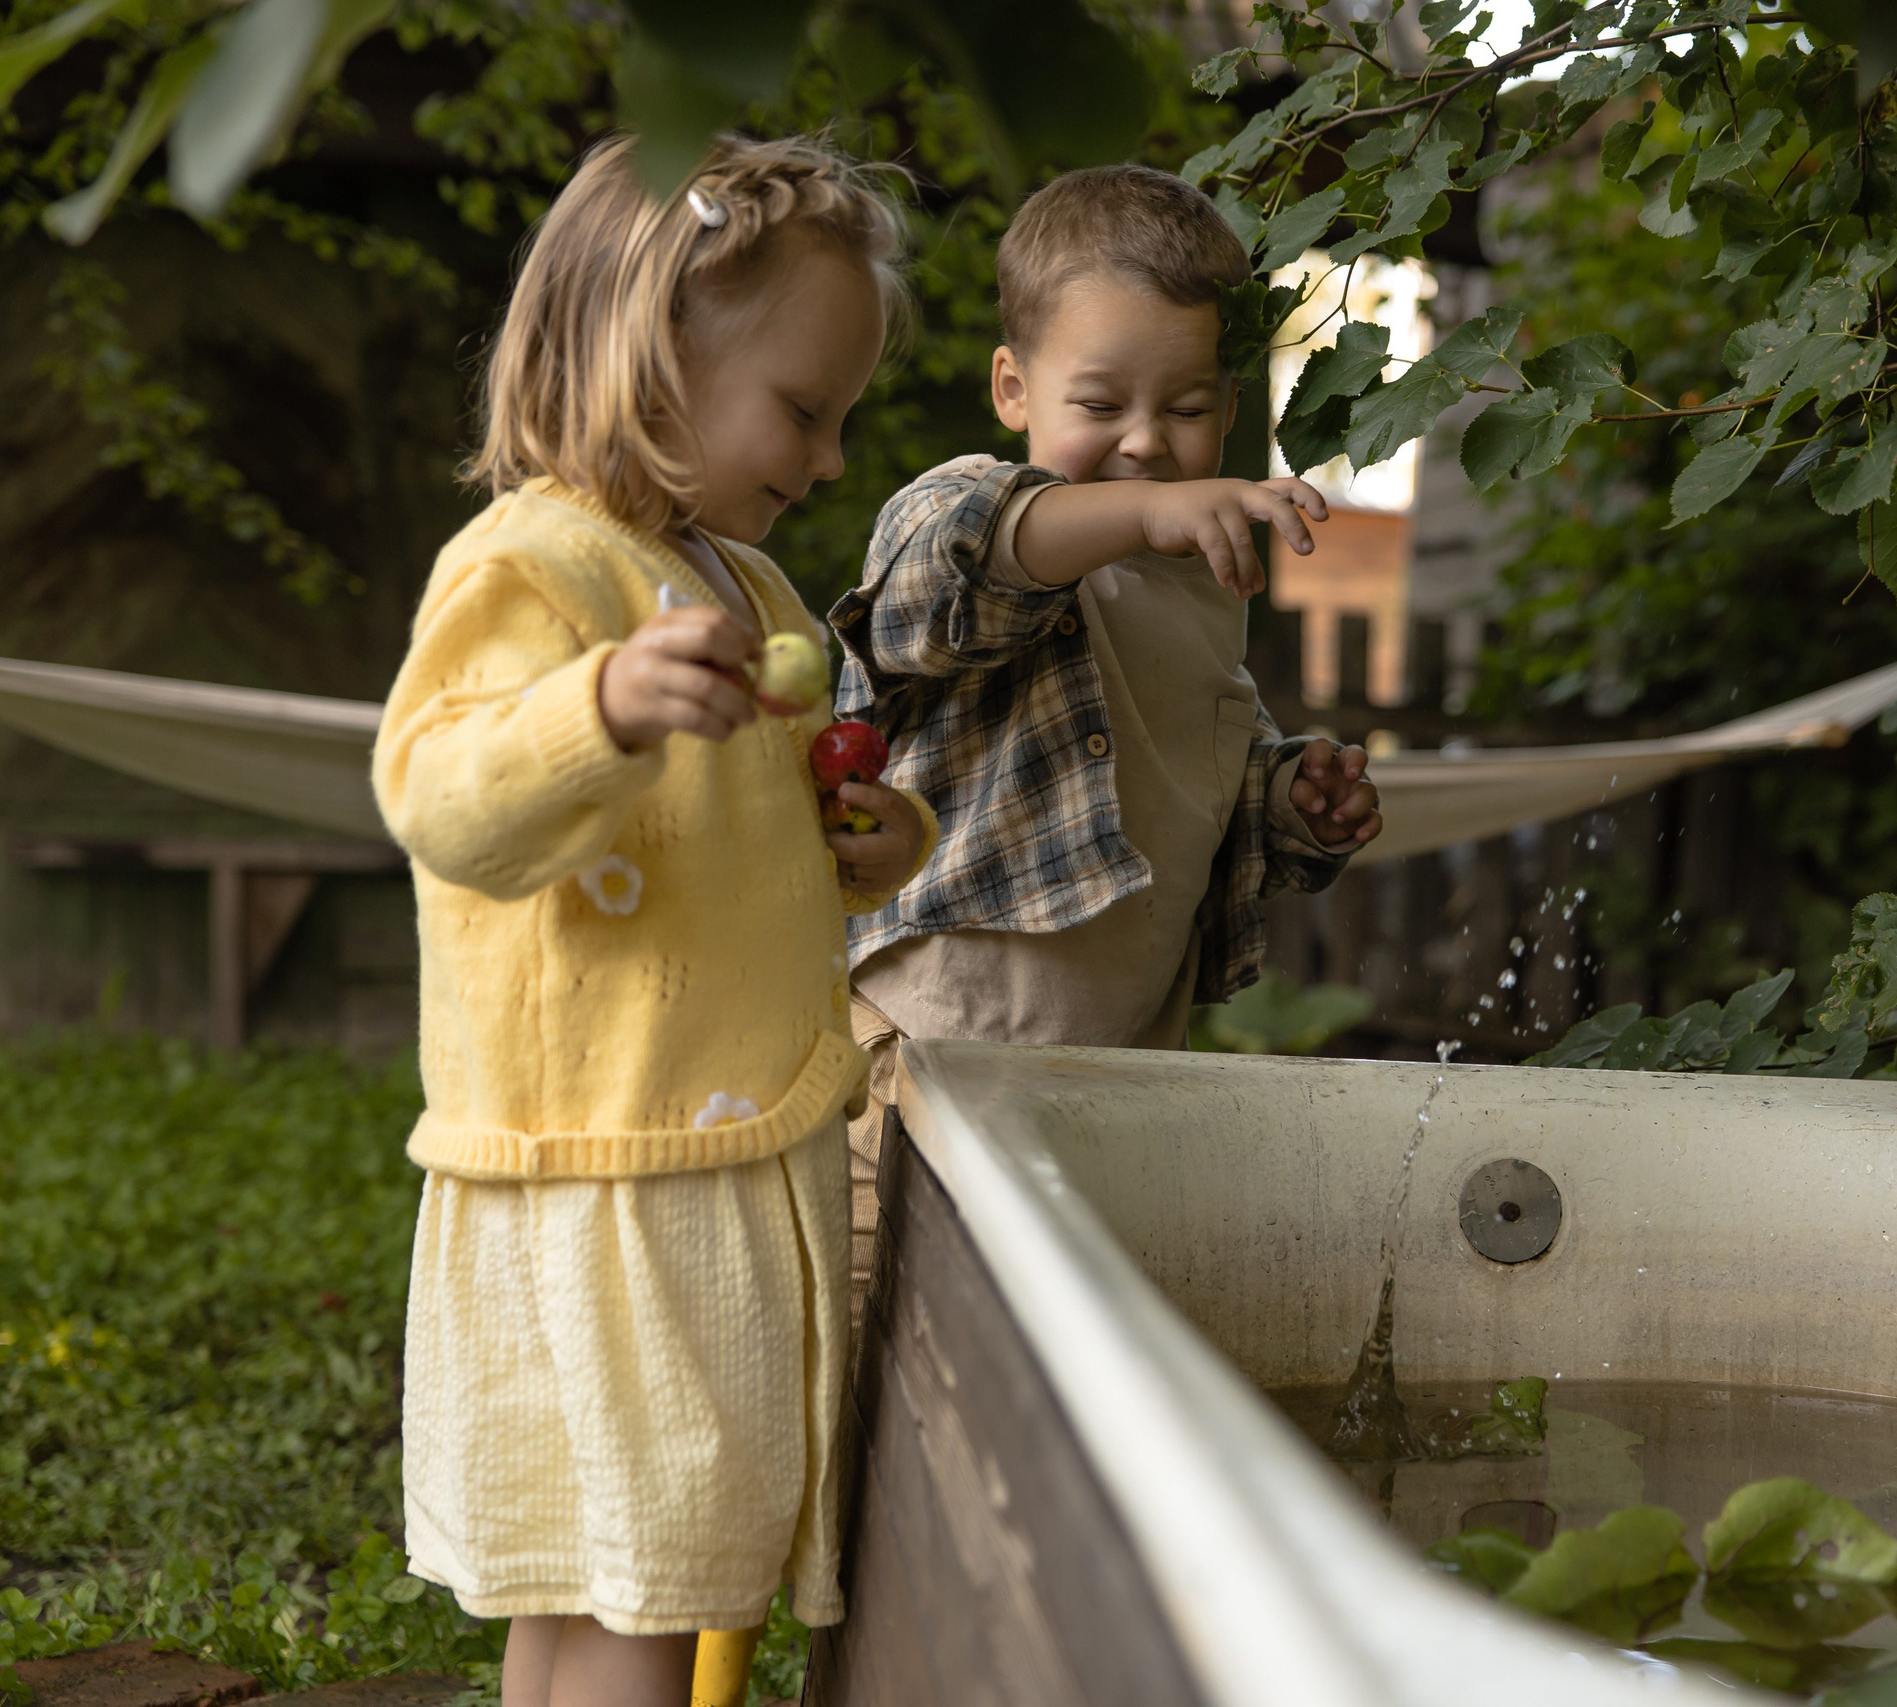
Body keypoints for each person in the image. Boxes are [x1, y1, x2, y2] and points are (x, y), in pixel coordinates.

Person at [372, 133, 933, 1707]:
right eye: (803, 409)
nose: (826, 459)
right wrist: (595, 709)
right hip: (617, 1167)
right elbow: (441, 798)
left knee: (595, 1579)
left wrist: (867, 841)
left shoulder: (742, 585)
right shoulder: (535, 568)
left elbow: (742, 843)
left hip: (698, 1146)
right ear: (651, 349)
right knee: (649, 1578)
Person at [831, 164, 1384, 1300]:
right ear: (1013, 387)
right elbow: (935, 587)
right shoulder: (963, 506)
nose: (1144, 444)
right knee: (880, 1341)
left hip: (1110, 1079)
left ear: (1230, 410)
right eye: (1100, 406)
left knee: (1051, 1365)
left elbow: (1189, 790)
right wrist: (1144, 510)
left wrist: (1288, 804)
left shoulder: (1199, 586)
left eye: (1185, 410)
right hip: (924, 1060)